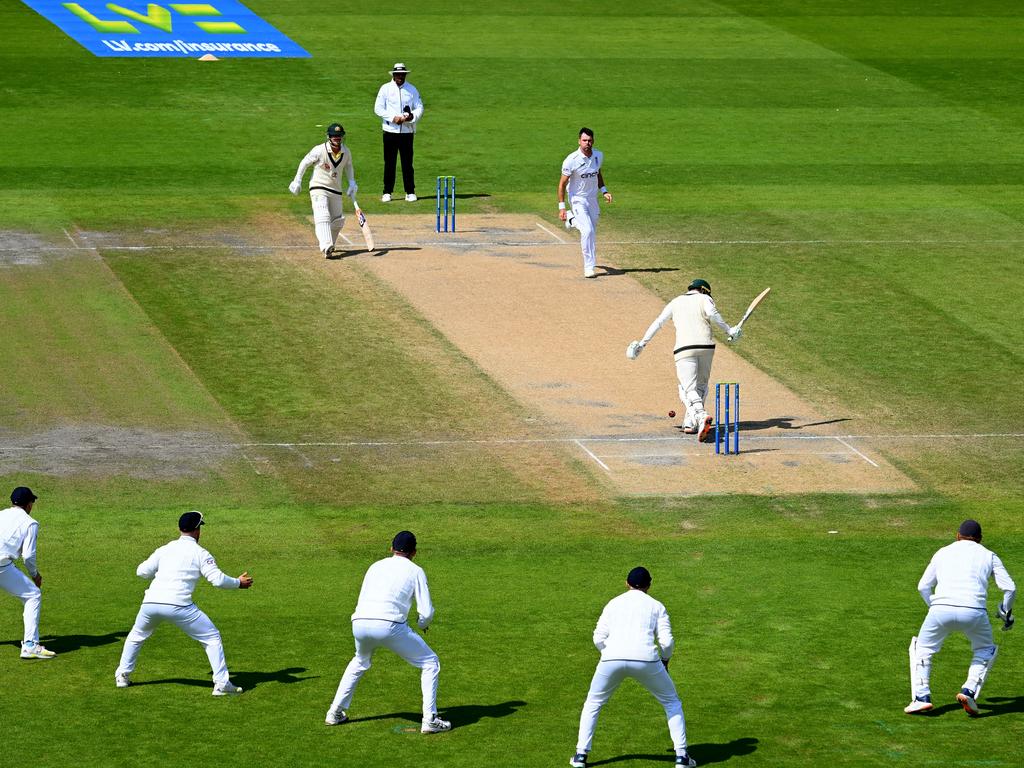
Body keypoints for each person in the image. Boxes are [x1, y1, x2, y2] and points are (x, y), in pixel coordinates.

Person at [114, 511, 253, 695]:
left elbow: (141, 572)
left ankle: (122, 676)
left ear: (180, 529)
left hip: (151, 603)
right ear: (197, 530)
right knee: (211, 637)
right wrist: (238, 583)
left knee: (136, 636)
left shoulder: (165, 549)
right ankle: (221, 684)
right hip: (179, 605)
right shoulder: (200, 553)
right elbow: (217, 580)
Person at [326, 530, 451, 733]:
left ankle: (334, 712)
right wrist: (422, 624)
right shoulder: (416, 570)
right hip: (389, 624)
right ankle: (430, 719)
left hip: (359, 622)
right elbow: (426, 612)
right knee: (430, 662)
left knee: (359, 661)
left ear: (391, 548)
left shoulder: (375, 566)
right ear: (414, 552)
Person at [570, 567, 696, 768]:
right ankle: (681, 757)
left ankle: (580, 756)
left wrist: (609, 654)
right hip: (647, 660)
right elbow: (666, 642)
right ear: (649, 585)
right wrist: (665, 660)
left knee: (593, 703)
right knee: (671, 702)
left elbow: (598, 638)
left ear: (626, 583)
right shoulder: (657, 606)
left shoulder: (613, 603)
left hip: (611, 658)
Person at [905, 519, 1016, 716]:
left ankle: (921, 698)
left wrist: (935, 607)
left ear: (957, 536)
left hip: (940, 609)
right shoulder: (989, 555)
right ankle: (969, 690)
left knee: (922, 649)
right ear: (980, 539)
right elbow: (1010, 588)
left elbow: (923, 586)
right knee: (985, 649)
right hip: (974, 611)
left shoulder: (942, 552)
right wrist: (1005, 611)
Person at [627, 279, 741, 440]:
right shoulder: (705, 299)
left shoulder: (676, 302)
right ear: (704, 290)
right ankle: (690, 423)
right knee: (701, 386)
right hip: (706, 347)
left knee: (688, 389)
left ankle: (701, 417)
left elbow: (658, 323)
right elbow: (712, 315)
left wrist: (642, 344)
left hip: (684, 349)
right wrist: (730, 330)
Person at [0, 486, 56, 659]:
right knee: (33, 595)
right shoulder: (30, 523)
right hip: (2, 566)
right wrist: (35, 575)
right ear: (29, 504)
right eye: (32, 502)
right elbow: (28, 556)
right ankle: (30, 645)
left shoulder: (1, 514)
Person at [289, 122, 358, 258]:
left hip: (335, 190)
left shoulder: (346, 152)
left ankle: (330, 245)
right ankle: (326, 245)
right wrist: (297, 180)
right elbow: (305, 162)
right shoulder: (319, 150)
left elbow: (348, 166)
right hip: (318, 186)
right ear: (329, 137)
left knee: (338, 221)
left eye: (339, 136)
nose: (337, 139)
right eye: (335, 136)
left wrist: (351, 183)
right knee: (322, 214)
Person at [557, 127, 613, 278]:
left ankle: (572, 219)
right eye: (584, 140)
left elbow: (598, 172)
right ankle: (589, 267)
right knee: (587, 231)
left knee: (591, 231)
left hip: (592, 198)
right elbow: (562, 184)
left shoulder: (598, 155)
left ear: (593, 141)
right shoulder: (571, 160)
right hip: (577, 198)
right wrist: (561, 207)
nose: (587, 143)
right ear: (579, 141)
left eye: (589, 140)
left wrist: (604, 191)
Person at [374, 63, 423, 203]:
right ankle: (387, 192)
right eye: (397, 75)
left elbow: (419, 107)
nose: (400, 77)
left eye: (402, 75)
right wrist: (393, 118)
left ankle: (410, 191)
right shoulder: (385, 89)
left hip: (407, 131)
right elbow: (378, 108)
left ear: (405, 75)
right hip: (390, 131)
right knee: (390, 163)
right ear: (393, 75)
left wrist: (411, 116)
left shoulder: (412, 89)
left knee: (407, 163)